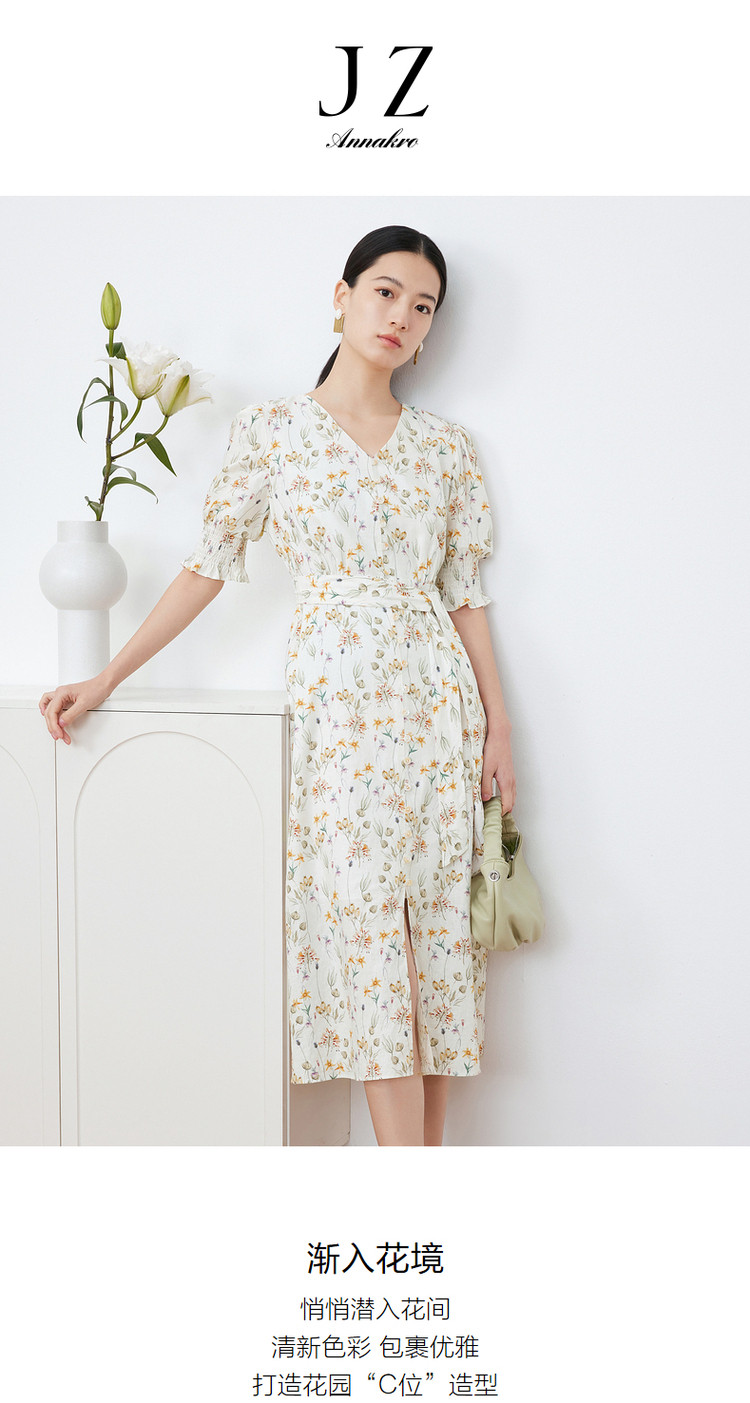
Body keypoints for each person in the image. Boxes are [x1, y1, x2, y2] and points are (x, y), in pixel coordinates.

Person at [39, 225, 516, 1147]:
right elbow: (206, 567)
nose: (401, 316)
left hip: (437, 712)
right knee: (368, 937)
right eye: (385, 292)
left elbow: (465, 594)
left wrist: (499, 729)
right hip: (338, 712)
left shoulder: (447, 450)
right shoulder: (274, 433)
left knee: (434, 947)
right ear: (341, 297)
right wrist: (105, 677)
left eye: (423, 307)